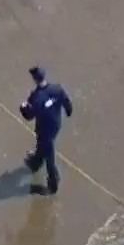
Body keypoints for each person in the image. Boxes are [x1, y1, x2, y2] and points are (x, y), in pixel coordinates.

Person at [19, 66, 73, 195]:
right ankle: (36, 163)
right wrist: (68, 112)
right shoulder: (57, 89)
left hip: (44, 131)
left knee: (50, 158)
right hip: (55, 125)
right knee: (42, 146)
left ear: (34, 79)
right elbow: (67, 104)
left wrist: (23, 107)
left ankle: (53, 185)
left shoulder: (36, 97)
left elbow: (29, 115)